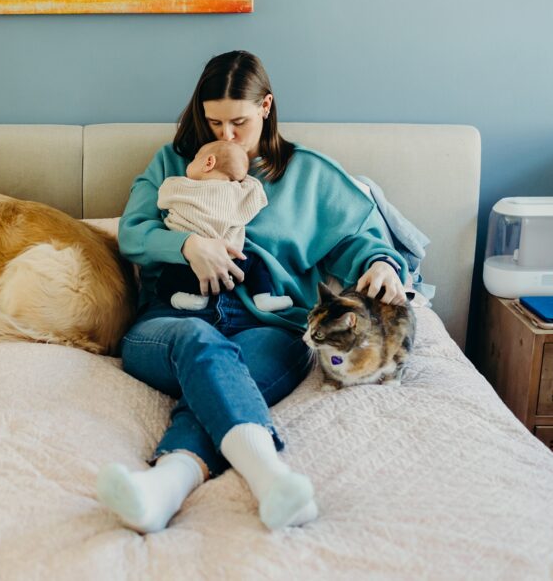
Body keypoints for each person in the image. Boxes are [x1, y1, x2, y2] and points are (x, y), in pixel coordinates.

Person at [95, 50, 407, 533]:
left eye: (238, 122)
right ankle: (272, 478)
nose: (224, 136)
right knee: (200, 343)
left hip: (270, 328)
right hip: (169, 323)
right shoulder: (176, 164)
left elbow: (357, 239)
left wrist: (381, 262)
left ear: (266, 106)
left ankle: (162, 487)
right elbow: (133, 233)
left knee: (222, 376)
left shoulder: (306, 174)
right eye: (213, 121)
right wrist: (187, 245)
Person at [155, 139, 293, 313]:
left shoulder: (180, 186)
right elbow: (258, 197)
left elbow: (162, 200)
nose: (188, 165)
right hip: (232, 263)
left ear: (208, 162)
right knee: (256, 263)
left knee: (165, 280)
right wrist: (240, 175)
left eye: (194, 159)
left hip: (190, 264)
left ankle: (184, 298)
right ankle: (263, 297)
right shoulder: (239, 193)